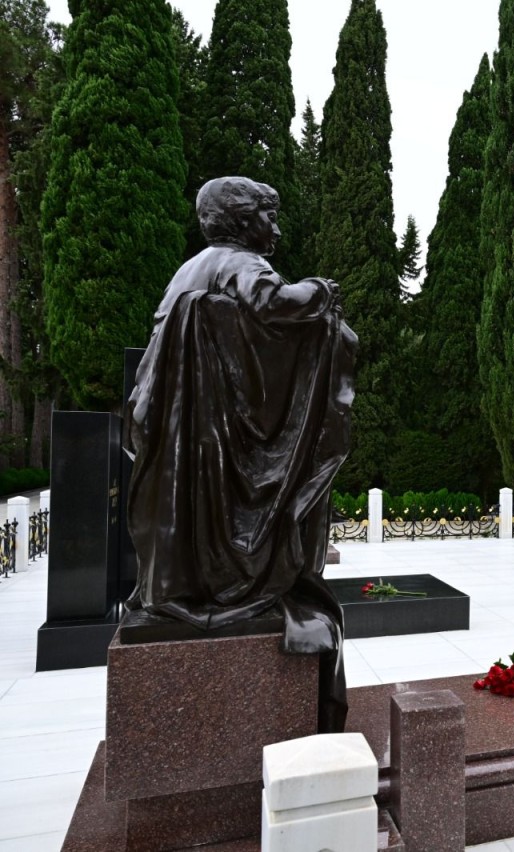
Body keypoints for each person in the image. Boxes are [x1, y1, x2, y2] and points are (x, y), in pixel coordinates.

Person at [126, 176, 357, 732]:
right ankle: (236, 578)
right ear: (241, 221)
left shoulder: (189, 269)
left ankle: (194, 577)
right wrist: (321, 293)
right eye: (268, 216)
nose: (275, 228)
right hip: (214, 431)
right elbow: (273, 305)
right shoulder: (239, 262)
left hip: (185, 432)